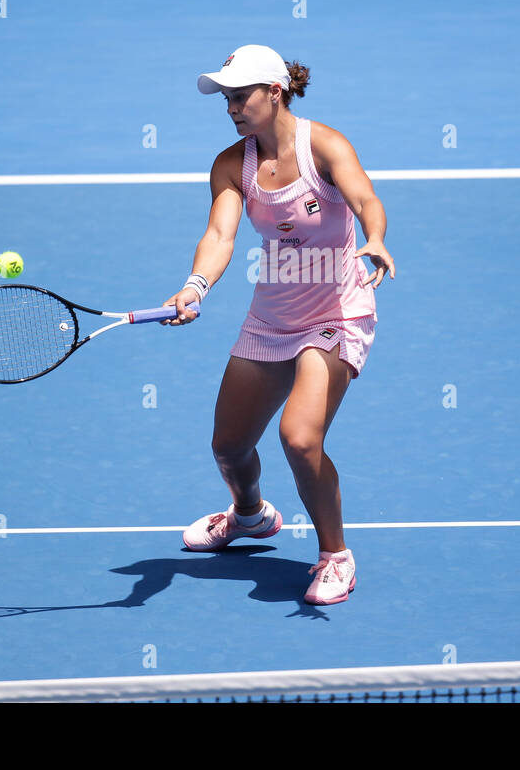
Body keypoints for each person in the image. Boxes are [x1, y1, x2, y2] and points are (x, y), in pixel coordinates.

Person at [161, 44, 394, 605]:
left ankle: (336, 556)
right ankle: (250, 517)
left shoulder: (325, 146)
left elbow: (364, 196)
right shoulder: (230, 163)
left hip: (336, 312)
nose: (232, 107)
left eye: (241, 95)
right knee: (229, 448)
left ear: (275, 92)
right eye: (226, 98)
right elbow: (220, 236)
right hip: (272, 317)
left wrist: (377, 237)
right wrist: (195, 287)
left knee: (300, 437)